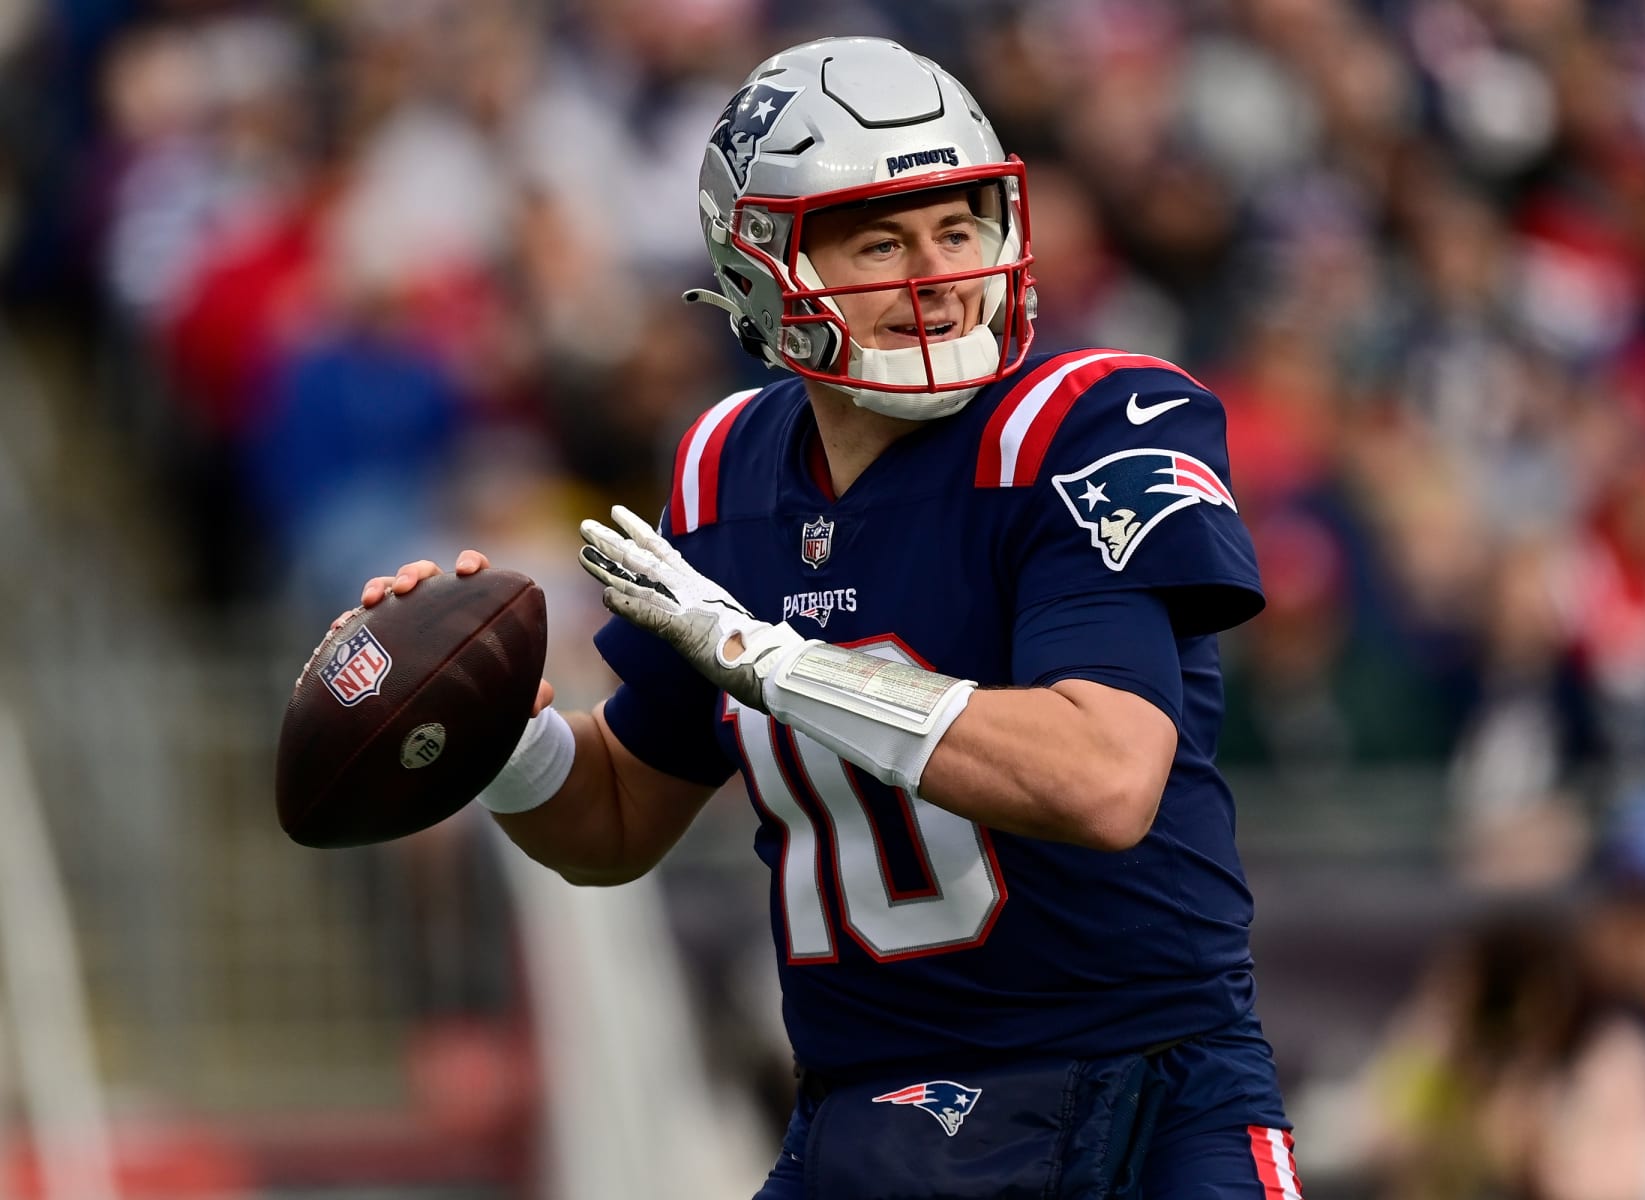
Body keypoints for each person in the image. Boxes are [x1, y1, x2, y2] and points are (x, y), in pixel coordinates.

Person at [354, 36, 1301, 1199]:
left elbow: (1104, 778)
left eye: (958, 228)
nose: (937, 273)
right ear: (762, 264)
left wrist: (766, 659)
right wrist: (500, 734)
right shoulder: (724, 470)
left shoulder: (1084, 422)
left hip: (1141, 1101)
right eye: (881, 242)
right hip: (871, 1117)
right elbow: (614, 820)